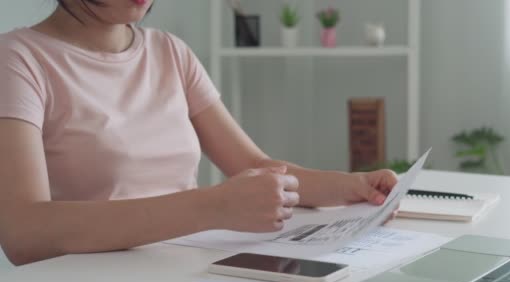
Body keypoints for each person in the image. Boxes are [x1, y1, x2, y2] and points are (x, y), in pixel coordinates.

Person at [0, 0, 398, 266]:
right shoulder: (19, 60)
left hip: (182, 274)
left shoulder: (169, 52)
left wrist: (353, 187)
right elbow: (24, 232)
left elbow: (255, 165)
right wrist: (212, 208)